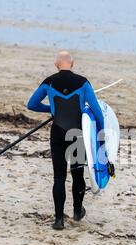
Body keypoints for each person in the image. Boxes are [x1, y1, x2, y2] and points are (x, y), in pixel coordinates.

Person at [27, 51, 105, 230]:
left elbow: (31, 104)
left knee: (59, 177)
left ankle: (59, 220)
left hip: (58, 134)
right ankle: (78, 211)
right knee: (77, 173)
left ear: (56, 64)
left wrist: (52, 109)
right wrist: (100, 135)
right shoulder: (83, 82)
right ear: (73, 64)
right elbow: (97, 112)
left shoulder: (49, 82)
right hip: (77, 134)